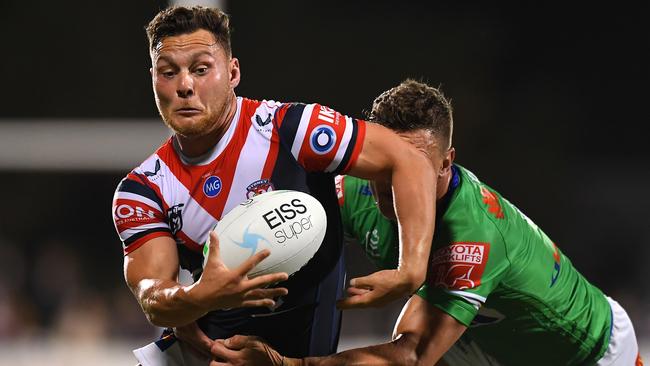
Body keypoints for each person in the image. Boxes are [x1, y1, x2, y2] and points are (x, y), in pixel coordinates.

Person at [209, 80, 643, 365]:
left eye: (415, 168)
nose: (394, 184)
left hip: (589, 353)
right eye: (389, 166)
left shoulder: (472, 240)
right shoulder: (355, 188)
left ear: (446, 164)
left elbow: (411, 355)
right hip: (490, 344)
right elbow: (277, 221)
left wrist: (285, 363)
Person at [110, 6, 436, 365]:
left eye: (201, 69)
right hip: (212, 356)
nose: (185, 86)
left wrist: (412, 270)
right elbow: (153, 295)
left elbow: (409, 159)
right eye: (168, 72)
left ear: (233, 72)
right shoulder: (143, 190)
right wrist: (202, 295)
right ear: (153, 78)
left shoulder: (293, 129)